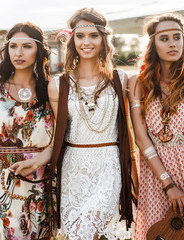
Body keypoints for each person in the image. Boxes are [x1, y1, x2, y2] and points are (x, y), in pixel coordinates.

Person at [128, 13, 184, 240]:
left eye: (177, 37)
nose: (173, 44)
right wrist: (168, 185)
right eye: (165, 38)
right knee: (156, 234)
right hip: (156, 176)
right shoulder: (139, 84)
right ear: (152, 44)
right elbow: (141, 138)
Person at [48, 7, 136, 240]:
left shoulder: (121, 79)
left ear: (104, 39)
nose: (86, 42)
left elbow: (130, 130)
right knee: (77, 234)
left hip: (108, 165)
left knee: (86, 233)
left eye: (93, 35)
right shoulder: (58, 85)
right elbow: (57, 135)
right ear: (72, 40)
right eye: (80, 36)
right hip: (73, 169)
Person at [0, 22, 55, 240]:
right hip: (7, 180)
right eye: (13, 46)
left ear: (39, 50)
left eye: (27, 46)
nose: (19, 53)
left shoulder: (52, 88)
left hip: (43, 178)